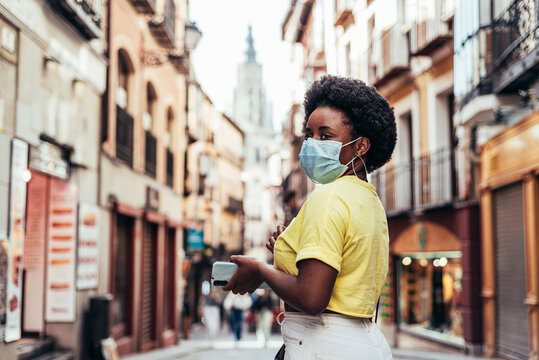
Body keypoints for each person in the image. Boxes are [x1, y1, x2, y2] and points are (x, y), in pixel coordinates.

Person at [223, 75, 396, 359]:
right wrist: (291, 252)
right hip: (363, 342)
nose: (312, 144)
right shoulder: (368, 199)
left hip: (325, 345)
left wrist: (260, 270)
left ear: (360, 146)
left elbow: (312, 298)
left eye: (326, 136)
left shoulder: (327, 197)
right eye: (309, 135)